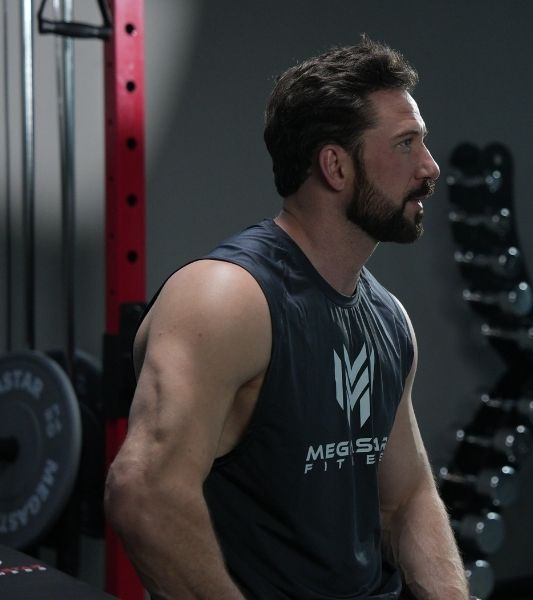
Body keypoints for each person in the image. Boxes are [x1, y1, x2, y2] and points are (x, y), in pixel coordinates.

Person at [105, 37, 468, 600]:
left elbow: (405, 499)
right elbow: (144, 493)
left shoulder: (386, 317)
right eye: (405, 144)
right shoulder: (227, 298)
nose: (429, 166)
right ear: (335, 166)